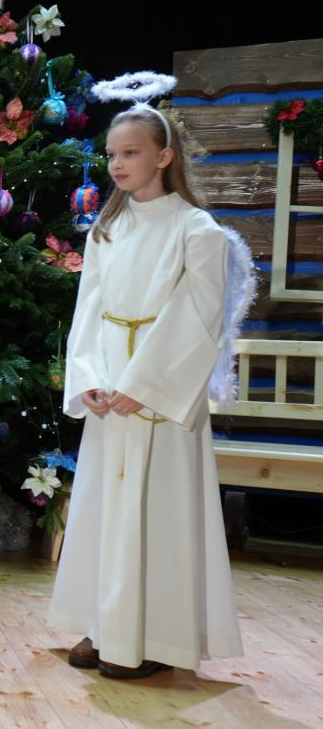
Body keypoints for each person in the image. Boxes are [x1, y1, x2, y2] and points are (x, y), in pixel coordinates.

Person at [49, 104, 245, 678]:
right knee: (107, 510)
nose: (117, 164)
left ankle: (157, 637)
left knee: (158, 512)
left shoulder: (197, 230)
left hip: (158, 388)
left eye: (130, 152)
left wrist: (144, 385)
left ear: (164, 156)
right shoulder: (106, 230)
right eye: (111, 154)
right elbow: (89, 308)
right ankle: (105, 623)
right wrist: (89, 377)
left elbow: (199, 316)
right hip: (111, 385)